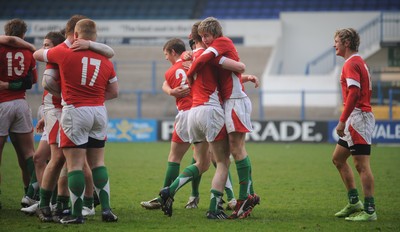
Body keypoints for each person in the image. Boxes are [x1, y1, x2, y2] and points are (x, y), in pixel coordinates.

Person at [34, 18, 118, 224]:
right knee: (98, 163)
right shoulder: (106, 60)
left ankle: (76, 214)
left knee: (75, 165)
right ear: (95, 37)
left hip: (75, 110)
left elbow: (38, 54)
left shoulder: (64, 53)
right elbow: (114, 92)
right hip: (99, 110)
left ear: (76, 36)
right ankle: (106, 210)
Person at [186, 17, 260, 219]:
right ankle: (248, 196)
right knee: (231, 151)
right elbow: (230, 71)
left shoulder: (221, 42)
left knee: (236, 149)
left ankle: (245, 198)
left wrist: (190, 71)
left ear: (215, 33)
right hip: (228, 101)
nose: (205, 39)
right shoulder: (215, 50)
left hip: (235, 100)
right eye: (201, 37)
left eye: (206, 35)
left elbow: (203, 60)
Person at [331, 28, 377, 221]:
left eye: (336, 41)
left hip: (358, 118)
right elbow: (367, 90)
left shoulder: (351, 63)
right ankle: (354, 202)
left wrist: (343, 119)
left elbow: (355, 93)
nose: (334, 45)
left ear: (346, 43)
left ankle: (370, 211)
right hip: (356, 117)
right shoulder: (359, 62)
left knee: (361, 165)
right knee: (338, 159)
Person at [0, 18, 38, 210]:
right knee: (28, 154)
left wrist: (5, 85)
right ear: (23, 34)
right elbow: (31, 82)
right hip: (21, 104)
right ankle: (31, 194)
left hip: (1, 104)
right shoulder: (28, 52)